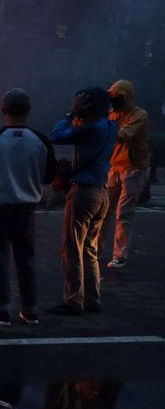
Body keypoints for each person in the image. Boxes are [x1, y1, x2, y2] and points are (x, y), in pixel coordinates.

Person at [0, 89, 55, 326]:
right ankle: (30, 310)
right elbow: (49, 177)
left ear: (4, 110)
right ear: (28, 110)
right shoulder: (40, 141)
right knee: (26, 258)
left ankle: (2, 311)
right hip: (27, 207)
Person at [47, 87, 117, 316]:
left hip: (83, 193)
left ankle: (73, 300)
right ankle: (92, 298)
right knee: (89, 248)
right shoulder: (110, 126)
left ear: (87, 106)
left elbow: (56, 136)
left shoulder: (91, 129)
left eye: (78, 102)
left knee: (71, 248)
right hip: (101, 193)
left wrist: (70, 114)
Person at [100, 79, 150, 268]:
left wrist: (100, 126)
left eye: (117, 97)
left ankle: (119, 256)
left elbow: (124, 135)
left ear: (127, 97)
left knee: (124, 213)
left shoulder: (139, 115)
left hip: (133, 168)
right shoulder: (112, 115)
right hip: (115, 167)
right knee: (104, 211)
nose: (114, 101)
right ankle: (95, 250)